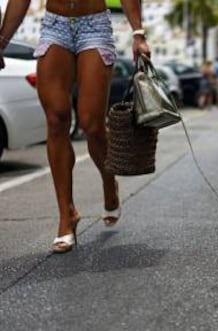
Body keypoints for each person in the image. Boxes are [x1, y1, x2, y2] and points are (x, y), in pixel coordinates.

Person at [0, 0, 150, 253]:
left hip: (94, 26)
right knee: (56, 121)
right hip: (54, 26)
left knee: (92, 125)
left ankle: (108, 181)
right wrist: (2, 41)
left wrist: (138, 32)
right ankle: (66, 215)